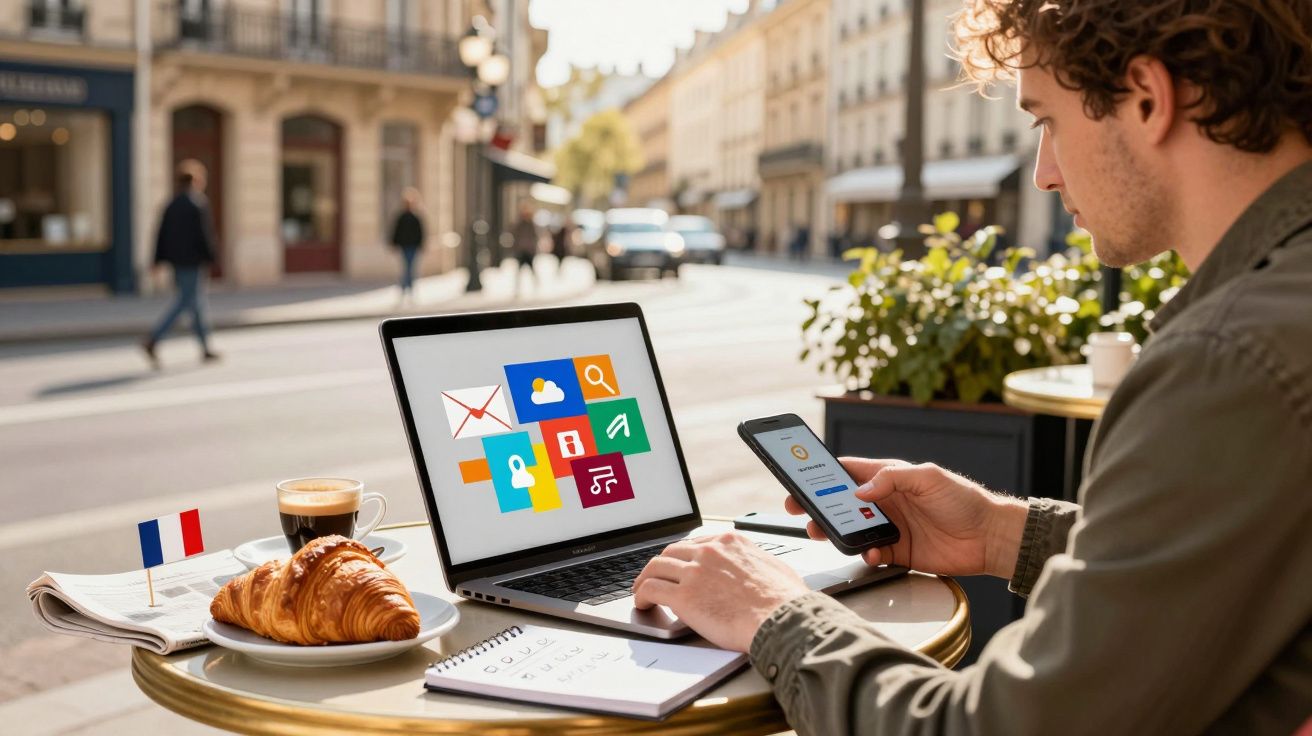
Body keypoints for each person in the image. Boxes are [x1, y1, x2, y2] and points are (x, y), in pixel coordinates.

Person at [631, 1, 1312, 733]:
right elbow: (1229, 569)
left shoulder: (1230, 362)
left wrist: (775, 613)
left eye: (1048, 120)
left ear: (1148, 98)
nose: (1044, 174)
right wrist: (999, 532)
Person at [142, 159, 219, 367]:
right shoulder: (198, 203)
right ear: (196, 180)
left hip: (177, 263)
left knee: (196, 304)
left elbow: (160, 234)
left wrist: (157, 260)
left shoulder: (171, 204)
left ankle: (205, 348)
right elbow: (205, 235)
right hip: (193, 262)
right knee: (186, 302)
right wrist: (212, 257)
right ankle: (153, 339)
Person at [389, 187, 426, 304]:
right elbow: (396, 231)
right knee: (407, 268)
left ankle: (406, 289)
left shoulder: (416, 217)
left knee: (409, 268)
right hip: (404, 246)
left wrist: (421, 244)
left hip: (413, 246)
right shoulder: (401, 216)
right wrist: (394, 243)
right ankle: (406, 289)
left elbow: (420, 232)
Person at [511, 202, 540, 296]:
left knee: (532, 269)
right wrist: (516, 248)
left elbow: (535, 237)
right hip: (521, 250)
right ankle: (517, 289)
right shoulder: (519, 224)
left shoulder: (531, 224)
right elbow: (515, 236)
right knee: (519, 271)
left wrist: (534, 249)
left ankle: (536, 286)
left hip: (529, 250)